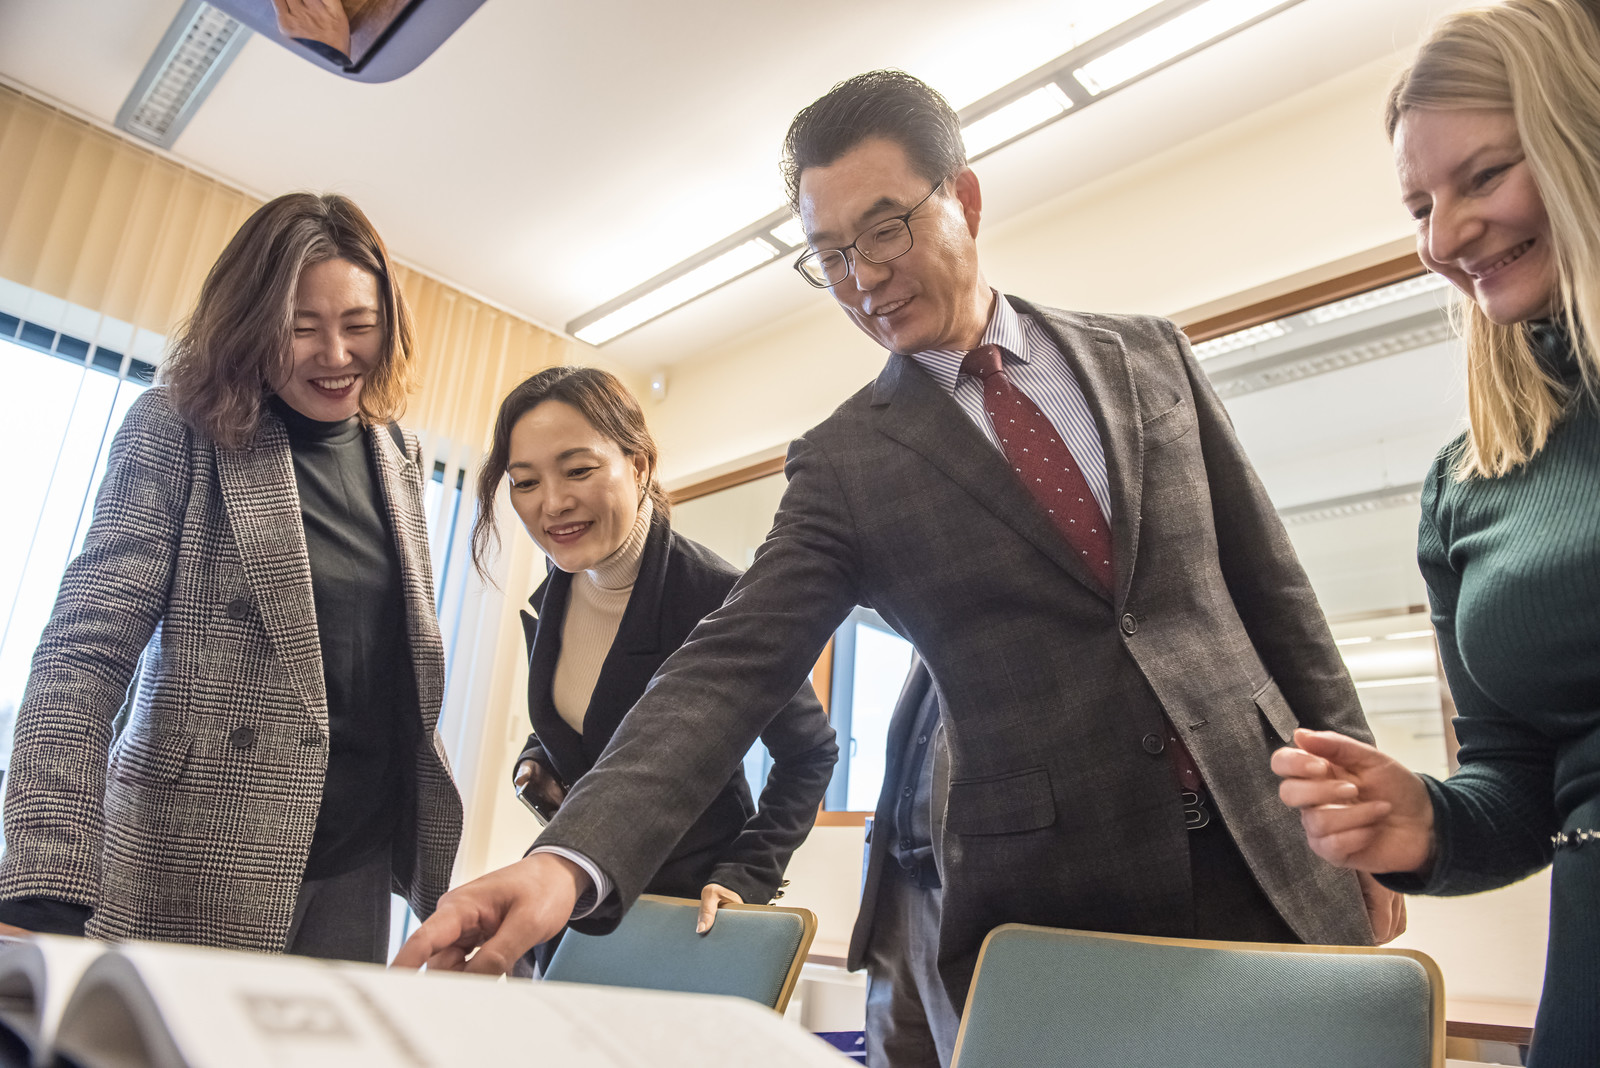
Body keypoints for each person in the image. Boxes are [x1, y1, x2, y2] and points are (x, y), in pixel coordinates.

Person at [396, 70, 1397, 1006]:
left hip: (1278, 837)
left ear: (965, 198)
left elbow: (1274, 594)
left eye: (885, 230)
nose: (864, 277)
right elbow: (726, 670)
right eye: (830, 256)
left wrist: (1366, 809)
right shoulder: (848, 464)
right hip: (1061, 895)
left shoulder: (1148, 355)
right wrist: (566, 861)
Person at [0, 193, 462, 963]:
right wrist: (45, 878)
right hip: (194, 852)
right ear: (250, 325)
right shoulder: (177, 428)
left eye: (359, 324)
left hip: (356, 861)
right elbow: (84, 655)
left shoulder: (400, 456)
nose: (337, 354)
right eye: (302, 328)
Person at [1272, 3, 1600, 1064]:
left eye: (1485, 176)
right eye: (1420, 205)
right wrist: (1425, 823)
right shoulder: (1472, 481)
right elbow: (1520, 780)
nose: (1444, 237)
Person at [469, 366, 836, 966]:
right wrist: (537, 760)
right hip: (578, 899)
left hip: (685, 912)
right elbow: (592, 718)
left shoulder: (717, 594)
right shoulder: (553, 596)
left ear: (638, 465)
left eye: (578, 471)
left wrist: (749, 872)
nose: (552, 503)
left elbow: (810, 752)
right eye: (526, 482)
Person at [849, 656, 958, 1068]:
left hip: (964, 895)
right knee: (891, 1053)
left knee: (967, 1050)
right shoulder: (921, 648)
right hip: (895, 891)